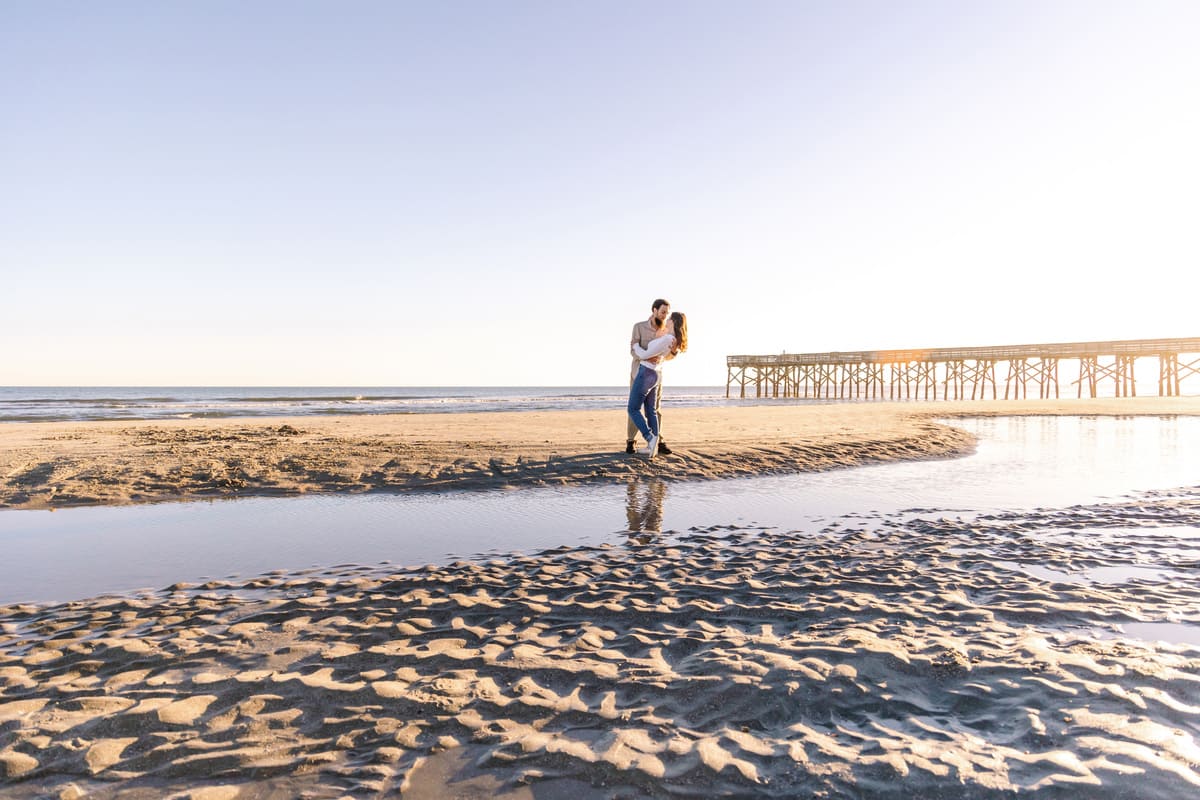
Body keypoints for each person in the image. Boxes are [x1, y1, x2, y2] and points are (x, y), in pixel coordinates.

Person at [627, 311, 688, 458]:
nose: (666, 319)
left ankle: (649, 437)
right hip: (655, 373)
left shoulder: (668, 338)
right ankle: (651, 446)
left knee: (633, 408)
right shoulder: (670, 339)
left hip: (646, 372)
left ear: (673, 322)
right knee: (650, 410)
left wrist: (635, 346)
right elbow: (658, 352)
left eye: (669, 318)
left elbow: (643, 355)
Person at [627, 299, 673, 455]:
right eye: (662, 312)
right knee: (635, 407)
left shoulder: (667, 330)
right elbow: (633, 350)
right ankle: (631, 441)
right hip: (638, 372)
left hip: (656, 373)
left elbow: (668, 354)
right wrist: (646, 356)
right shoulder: (639, 327)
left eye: (667, 313)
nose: (665, 315)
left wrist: (659, 357)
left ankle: (656, 441)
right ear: (654, 310)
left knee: (654, 409)